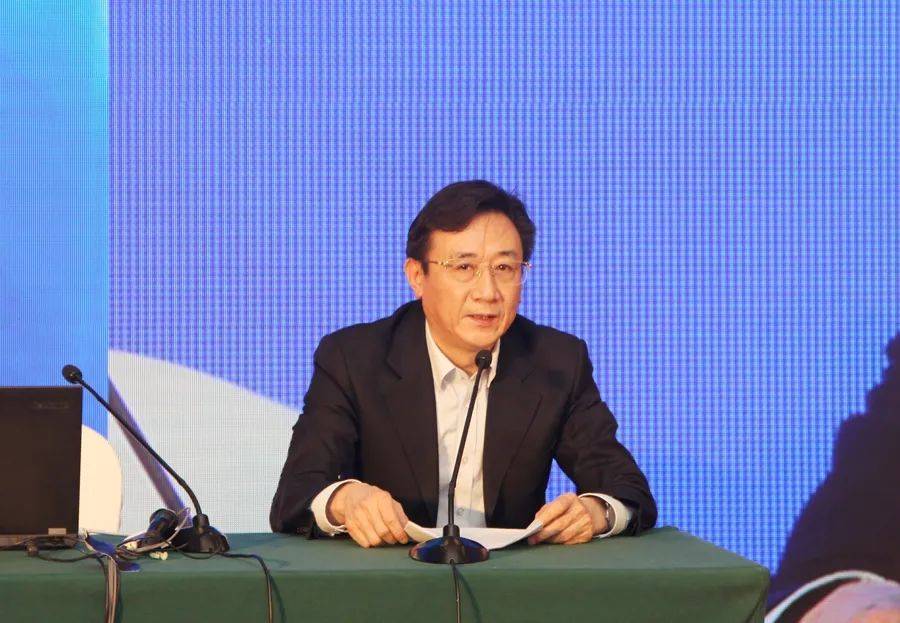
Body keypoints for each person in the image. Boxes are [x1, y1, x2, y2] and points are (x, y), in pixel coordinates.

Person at [270, 180, 656, 548]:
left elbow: (628, 490)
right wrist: (344, 501)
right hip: (391, 577)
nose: (487, 292)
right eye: (464, 268)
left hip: (509, 580)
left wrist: (597, 512)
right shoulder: (354, 359)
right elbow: (294, 496)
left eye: (504, 268)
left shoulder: (555, 362)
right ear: (417, 276)